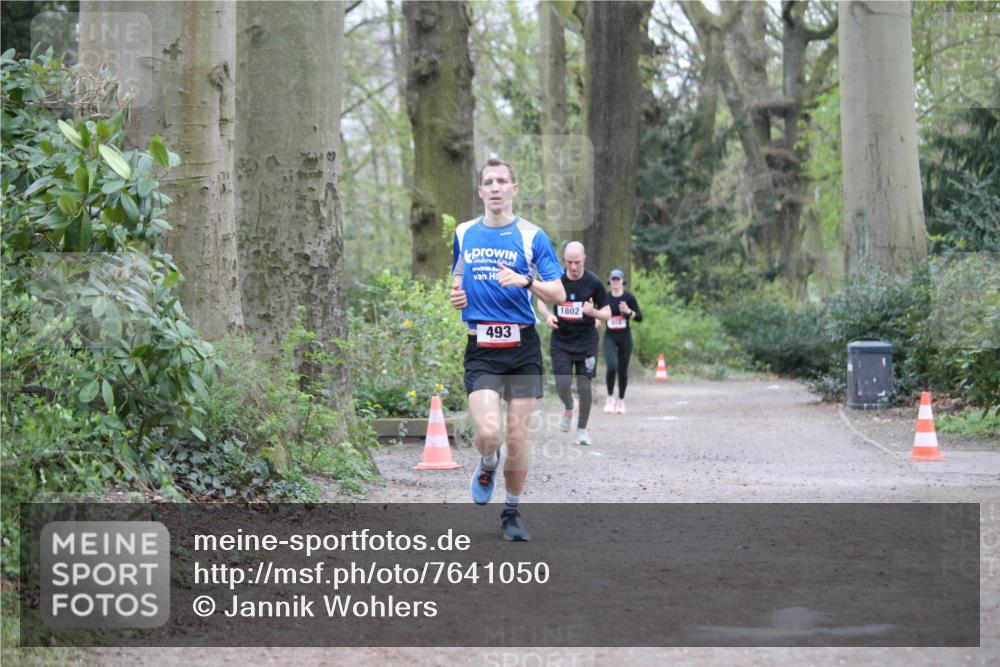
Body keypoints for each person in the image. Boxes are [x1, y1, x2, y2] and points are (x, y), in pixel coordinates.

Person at [450, 158, 565, 542]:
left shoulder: (533, 237)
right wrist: (456, 293)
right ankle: (487, 463)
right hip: (481, 346)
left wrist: (526, 281)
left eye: (502, 181)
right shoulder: (465, 232)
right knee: (488, 432)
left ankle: (512, 511)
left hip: (522, 347)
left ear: (514, 189)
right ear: (480, 191)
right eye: (488, 182)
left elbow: (559, 293)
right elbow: (457, 273)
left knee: (516, 437)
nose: (495, 187)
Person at [538, 242, 611, 446]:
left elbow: (607, 312)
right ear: (564, 261)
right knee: (562, 385)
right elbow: (541, 299)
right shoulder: (557, 280)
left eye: (577, 262)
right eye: (569, 262)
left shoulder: (594, 283)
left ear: (584, 260)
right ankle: (569, 405)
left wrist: (594, 313)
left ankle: (582, 429)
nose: (573, 267)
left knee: (585, 387)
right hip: (561, 341)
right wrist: (547, 315)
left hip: (587, 342)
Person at [602, 269, 642, 414]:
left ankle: (620, 400)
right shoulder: (605, 298)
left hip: (625, 337)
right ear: (610, 282)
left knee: (623, 369)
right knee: (612, 366)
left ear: (623, 281)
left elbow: (639, 317)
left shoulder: (629, 298)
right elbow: (599, 313)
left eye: (618, 279)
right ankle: (610, 398)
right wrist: (597, 320)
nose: (616, 282)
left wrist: (629, 311)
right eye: (613, 279)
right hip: (610, 337)